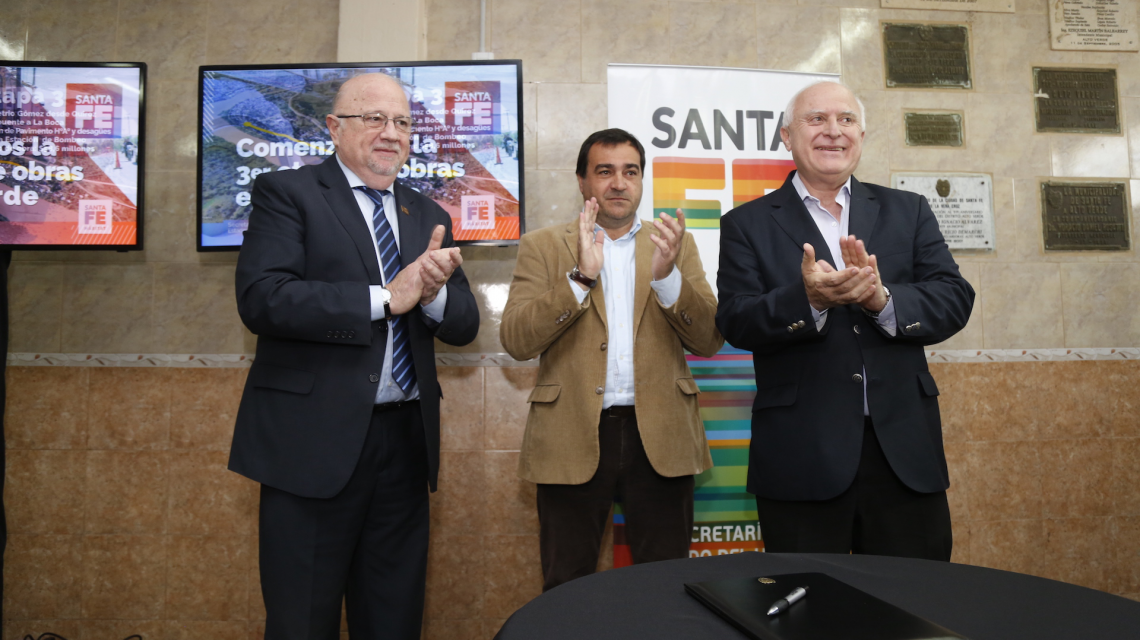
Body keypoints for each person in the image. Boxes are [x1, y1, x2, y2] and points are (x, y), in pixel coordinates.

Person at [229, 73, 479, 640]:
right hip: (312, 446)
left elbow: (465, 325)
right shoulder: (287, 192)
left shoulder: (427, 213)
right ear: (334, 127)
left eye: (402, 122)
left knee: (393, 620)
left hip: (405, 446)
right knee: (302, 622)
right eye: (374, 119)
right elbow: (263, 298)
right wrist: (386, 298)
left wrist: (432, 295)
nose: (391, 133)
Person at [715, 81, 974, 560]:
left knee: (915, 599)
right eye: (817, 119)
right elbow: (735, 319)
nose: (833, 131)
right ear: (786, 136)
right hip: (801, 457)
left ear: (861, 135)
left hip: (903, 456)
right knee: (810, 600)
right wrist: (809, 300)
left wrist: (882, 299)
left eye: (846, 120)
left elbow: (954, 298)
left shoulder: (908, 210)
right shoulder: (746, 223)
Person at [501, 129, 723, 591]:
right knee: (567, 585)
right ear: (582, 181)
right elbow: (517, 340)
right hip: (570, 434)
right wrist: (580, 279)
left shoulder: (673, 244)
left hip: (661, 436)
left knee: (665, 587)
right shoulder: (543, 246)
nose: (619, 183)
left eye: (630, 172)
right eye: (605, 171)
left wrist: (668, 278)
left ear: (641, 180)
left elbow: (708, 339)